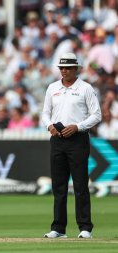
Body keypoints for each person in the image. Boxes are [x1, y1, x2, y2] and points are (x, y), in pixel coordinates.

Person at [41, 53, 101, 239]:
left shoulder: (85, 88)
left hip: (78, 139)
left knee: (80, 185)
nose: (64, 71)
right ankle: (58, 228)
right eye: (61, 68)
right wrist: (49, 126)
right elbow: (45, 113)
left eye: (68, 68)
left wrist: (77, 126)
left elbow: (96, 115)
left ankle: (85, 227)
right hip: (57, 139)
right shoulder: (52, 87)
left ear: (76, 69)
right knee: (58, 186)